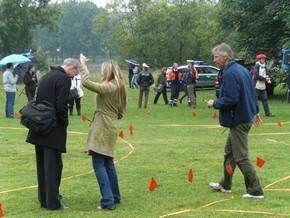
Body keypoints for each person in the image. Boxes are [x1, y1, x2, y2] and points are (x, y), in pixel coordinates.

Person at [207, 43, 264, 199]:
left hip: (238, 120)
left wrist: (214, 103)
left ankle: (255, 190)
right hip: (243, 117)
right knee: (230, 153)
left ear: (225, 57)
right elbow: (252, 93)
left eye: (216, 56)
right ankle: (226, 184)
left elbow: (231, 99)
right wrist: (256, 111)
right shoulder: (242, 70)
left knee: (241, 156)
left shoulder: (231, 73)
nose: (214, 60)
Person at [26, 58, 80, 210]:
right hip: (52, 127)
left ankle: (44, 198)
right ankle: (53, 203)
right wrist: (64, 122)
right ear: (70, 67)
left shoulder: (46, 76)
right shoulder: (63, 78)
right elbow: (61, 105)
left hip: (39, 125)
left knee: (42, 165)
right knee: (53, 166)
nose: (74, 75)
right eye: (75, 72)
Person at [78, 54, 127, 210]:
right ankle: (115, 196)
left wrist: (82, 64)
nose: (100, 74)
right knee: (108, 163)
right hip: (111, 126)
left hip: (103, 127)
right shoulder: (119, 87)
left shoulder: (110, 87)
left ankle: (107, 201)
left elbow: (85, 82)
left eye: (102, 71)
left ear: (108, 72)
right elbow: (120, 112)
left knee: (99, 164)